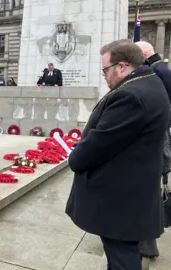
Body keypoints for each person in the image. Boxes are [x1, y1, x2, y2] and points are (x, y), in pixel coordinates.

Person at [65, 40, 170, 270]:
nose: (103, 75)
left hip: (120, 198)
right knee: (122, 255)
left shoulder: (130, 96)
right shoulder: (150, 84)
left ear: (122, 66)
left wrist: (75, 157)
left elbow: (99, 143)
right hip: (132, 192)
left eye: (105, 69)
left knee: (122, 258)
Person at [135, 41, 171, 263]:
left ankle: (147, 243)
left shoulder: (157, 72)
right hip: (160, 138)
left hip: (157, 139)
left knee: (149, 194)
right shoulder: (159, 70)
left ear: (144, 54)